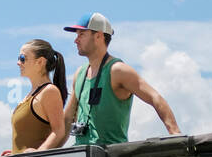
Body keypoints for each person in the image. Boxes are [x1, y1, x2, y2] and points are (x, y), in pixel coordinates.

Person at [61, 13, 180, 146]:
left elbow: (155, 97)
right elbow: (66, 121)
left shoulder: (118, 70)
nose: (75, 40)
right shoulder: (80, 74)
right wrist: (43, 151)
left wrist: (175, 134)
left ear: (99, 36)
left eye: (81, 34)